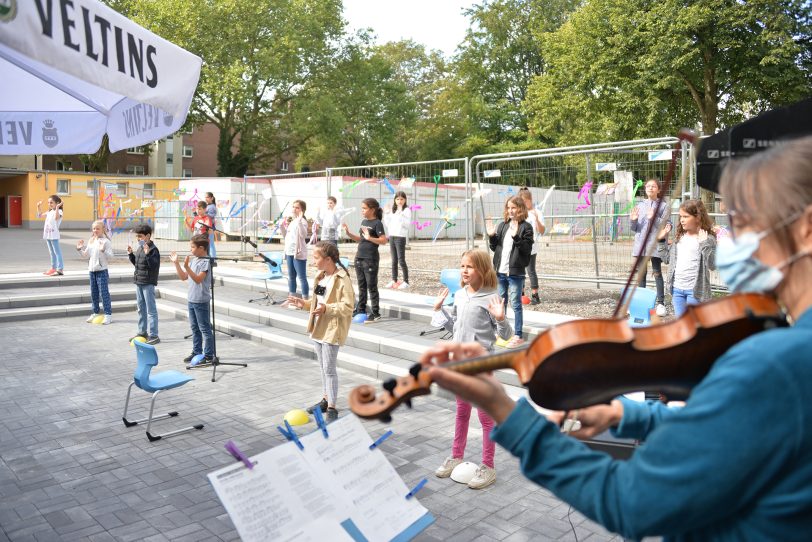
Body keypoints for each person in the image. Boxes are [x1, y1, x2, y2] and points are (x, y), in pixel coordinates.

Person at [419, 136, 812, 540]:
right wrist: (630, 415)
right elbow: (730, 426)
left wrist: (507, 412)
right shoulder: (788, 347)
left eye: (747, 224)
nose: (733, 239)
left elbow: (633, 503)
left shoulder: (779, 362)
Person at [432, 249, 512, 489]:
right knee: (461, 412)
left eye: (469, 266)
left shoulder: (492, 298)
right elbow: (456, 327)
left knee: (485, 417)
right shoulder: (460, 295)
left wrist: (500, 318)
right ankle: (456, 455)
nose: (464, 271)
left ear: (483, 270)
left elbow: (506, 336)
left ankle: (488, 466)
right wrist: (439, 311)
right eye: (462, 266)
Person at [287, 242, 355, 422]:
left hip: (332, 329)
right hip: (317, 328)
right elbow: (316, 302)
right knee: (323, 368)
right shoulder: (320, 276)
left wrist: (327, 309)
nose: (313, 261)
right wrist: (304, 304)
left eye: (316, 257)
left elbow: (348, 307)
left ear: (328, 259)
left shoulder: (342, 279)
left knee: (329, 369)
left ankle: (332, 406)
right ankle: (325, 399)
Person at [487, 196, 533, 348]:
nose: (510, 210)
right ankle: (504, 333)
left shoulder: (526, 227)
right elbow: (495, 248)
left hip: (515, 273)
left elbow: (527, 250)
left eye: (513, 207)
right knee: (501, 303)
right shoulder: (503, 225)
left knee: (516, 304)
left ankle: (518, 335)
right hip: (500, 272)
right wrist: (492, 236)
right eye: (508, 207)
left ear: (520, 208)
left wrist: (516, 237)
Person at [662, 199, 716, 317]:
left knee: (694, 326)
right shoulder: (679, 238)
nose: (681, 220)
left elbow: (712, 265)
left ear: (697, 217)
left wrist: (704, 244)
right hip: (677, 289)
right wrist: (661, 241)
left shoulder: (708, 238)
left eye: (686, 216)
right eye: (681, 216)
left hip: (695, 292)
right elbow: (666, 259)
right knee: (681, 325)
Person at [630, 178, 671, 316]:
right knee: (641, 274)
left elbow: (666, 226)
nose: (650, 188)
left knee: (657, 272)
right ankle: (642, 303)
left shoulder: (664, 206)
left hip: (655, 244)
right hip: (641, 244)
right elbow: (634, 229)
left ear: (659, 190)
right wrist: (633, 220)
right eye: (648, 186)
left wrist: (654, 217)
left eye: (654, 186)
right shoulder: (640, 205)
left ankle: (660, 303)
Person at [171, 234, 215, 364]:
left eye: (192, 247)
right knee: (194, 328)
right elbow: (184, 277)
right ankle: (196, 352)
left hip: (201, 300)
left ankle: (208, 355)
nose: (190, 249)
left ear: (201, 248)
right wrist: (177, 264)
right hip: (192, 299)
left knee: (205, 329)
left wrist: (187, 267)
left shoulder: (206, 262)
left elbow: (197, 280)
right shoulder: (195, 259)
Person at [342, 198, 387, 322]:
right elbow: (361, 239)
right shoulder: (364, 222)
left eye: (364, 208)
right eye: (362, 208)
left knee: (371, 286)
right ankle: (360, 309)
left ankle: (376, 313)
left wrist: (370, 237)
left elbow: (383, 240)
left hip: (370, 259)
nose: (362, 210)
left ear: (372, 209)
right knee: (361, 286)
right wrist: (349, 233)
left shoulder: (377, 223)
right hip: (359, 257)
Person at [76, 220, 114, 325]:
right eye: (94, 229)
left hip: (102, 271)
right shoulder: (91, 240)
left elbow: (111, 256)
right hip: (92, 271)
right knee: (94, 293)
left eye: (98, 228)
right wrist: (79, 249)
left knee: (104, 293)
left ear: (103, 229)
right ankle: (95, 313)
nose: (95, 230)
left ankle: (108, 315)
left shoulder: (106, 241)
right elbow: (86, 255)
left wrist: (103, 250)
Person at [128, 224, 160, 344]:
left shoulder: (153, 249)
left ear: (147, 236)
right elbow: (138, 264)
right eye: (137, 236)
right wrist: (131, 255)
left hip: (148, 282)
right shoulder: (140, 248)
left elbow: (153, 265)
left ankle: (154, 335)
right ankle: (142, 332)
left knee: (151, 310)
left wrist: (148, 254)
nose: (138, 239)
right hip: (139, 281)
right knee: (141, 308)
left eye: (140, 236)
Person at [518, 187, 546, 305]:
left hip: (531, 248)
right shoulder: (519, 213)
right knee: (519, 271)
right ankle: (521, 294)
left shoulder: (537, 212)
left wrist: (537, 220)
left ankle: (535, 295)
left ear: (530, 200)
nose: (523, 204)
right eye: (521, 201)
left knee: (531, 270)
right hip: (519, 246)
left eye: (525, 201)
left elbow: (542, 230)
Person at [281, 200, 309, 300]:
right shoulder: (293, 221)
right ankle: (292, 298)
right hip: (289, 252)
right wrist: (281, 226)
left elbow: (303, 235)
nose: (294, 209)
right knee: (291, 277)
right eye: (293, 207)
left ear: (302, 210)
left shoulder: (303, 221)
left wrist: (300, 220)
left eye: (297, 207)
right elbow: (286, 237)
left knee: (302, 278)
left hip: (298, 253)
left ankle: (305, 299)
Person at [384, 191, 411, 289]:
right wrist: (386, 214)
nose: (400, 201)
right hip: (392, 236)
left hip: (400, 237)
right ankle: (394, 280)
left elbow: (406, 225)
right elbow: (387, 224)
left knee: (401, 260)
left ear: (405, 200)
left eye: (402, 199)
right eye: (398, 199)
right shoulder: (393, 210)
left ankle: (406, 281)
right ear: (395, 200)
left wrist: (401, 214)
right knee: (394, 260)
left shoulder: (406, 210)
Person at [37, 195, 64, 276]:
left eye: (51, 202)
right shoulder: (49, 212)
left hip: (54, 235)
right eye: (48, 202)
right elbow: (39, 216)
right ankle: (53, 268)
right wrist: (38, 206)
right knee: (52, 253)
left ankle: (60, 269)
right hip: (48, 234)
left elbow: (56, 218)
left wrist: (58, 207)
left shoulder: (59, 211)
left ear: (57, 203)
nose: (49, 204)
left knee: (57, 252)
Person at [204, 192, 218, 257]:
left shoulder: (212, 206)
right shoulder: (208, 206)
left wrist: (204, 213)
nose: (206, 199)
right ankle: (210, 256)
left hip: (210, 227)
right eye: (205, 197)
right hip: (207, 227)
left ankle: (213, 258)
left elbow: (211, 216)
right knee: (208, 243)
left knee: (211, 243)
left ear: (211, 198)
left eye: (207, 197)